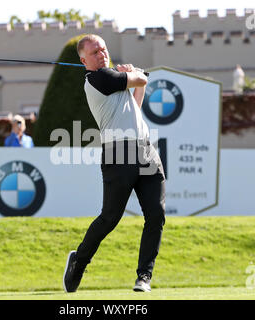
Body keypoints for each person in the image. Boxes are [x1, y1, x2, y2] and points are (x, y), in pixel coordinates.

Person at [63, 34, 166, 293]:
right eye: (95, 52)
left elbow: (135, 106)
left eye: (104, 49)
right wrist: (135, 73)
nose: (102, 54)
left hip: (146, 150)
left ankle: (144, 276)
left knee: (156, 214)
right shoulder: (99, 78)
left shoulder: (113, 81)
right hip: (119, 154)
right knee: (110, 217)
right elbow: (143, 78)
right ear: (83, 59)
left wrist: (135, 80)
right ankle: (79, 261)